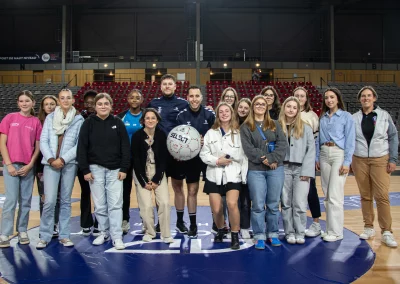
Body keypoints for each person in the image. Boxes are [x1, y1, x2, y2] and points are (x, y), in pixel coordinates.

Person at [77, 93, 130, 250]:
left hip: (115, 170)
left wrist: (124, 168)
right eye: (100, 104)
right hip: (95, 169)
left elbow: (125, 147)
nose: (103, 106)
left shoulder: (118, 123)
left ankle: (117, 236)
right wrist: (85, 169)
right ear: (95, 106)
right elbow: (82, 148)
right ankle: (103, 232)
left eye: (106, 103)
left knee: (115, 204)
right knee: (100, 205)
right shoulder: (88, 123)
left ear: (111, 105)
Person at [36, 89, 84, 248]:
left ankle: (64, 235)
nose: (65, 100)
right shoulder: (50, 118)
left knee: (65, 200)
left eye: (68, 98)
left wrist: (63, 159)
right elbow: (43, 140)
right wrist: (51, 159)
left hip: (69, 164)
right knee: (49, 201)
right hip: (50, 164)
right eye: (62, 98)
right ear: (59, 100)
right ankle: (45, 235)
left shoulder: (78, 119)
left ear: (73, 100)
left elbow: (79, 145)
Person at [352, 86, 398, 248]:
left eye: (369, 96)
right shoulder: (354, 118)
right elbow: (350, 140)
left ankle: (387, 231)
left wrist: (393, 159)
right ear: (360, 99)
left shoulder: (384, 116)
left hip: (380, 159)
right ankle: (368, 227)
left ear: (374, 98)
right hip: (359, 160)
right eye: (363, 96)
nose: (366, 98)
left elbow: (393, 137)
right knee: (365, 196)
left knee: (382, 196)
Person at [240, 95, 287, 249]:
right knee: (258, 205)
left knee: (273, 204)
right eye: (257, 104)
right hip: (256, 170)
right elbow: (248, 149)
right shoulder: (246, 127)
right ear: (253, 107)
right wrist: (264, 159)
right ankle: (259, 235)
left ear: (267, 107)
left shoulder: (275, 124)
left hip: (275, 168)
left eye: (263, 104)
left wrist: (272, 159)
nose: (260, 106)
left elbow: (282, 144)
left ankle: (273, 233)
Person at [200, 102, 248, 250]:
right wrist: (217, 160)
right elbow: (204, 154)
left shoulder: (238, 133)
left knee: (232, 204)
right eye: (221, 111)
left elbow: (243, 156)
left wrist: (243, 176)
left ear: (231, 113)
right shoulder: (211, 133)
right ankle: (221, 229)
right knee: (216, 208)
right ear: (217, 115)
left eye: (227, 111)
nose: (224, 113)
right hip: (214, 174)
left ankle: (234, 235)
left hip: (233, 174)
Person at [147, 74, 189, 233]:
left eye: (170, 84)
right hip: (159, 152)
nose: (167, 86)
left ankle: (179, 221)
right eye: (164, 84)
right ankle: (160, 221)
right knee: (159, 188)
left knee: (178, 187)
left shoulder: (183, 103)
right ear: (161, 86)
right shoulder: (153, 103)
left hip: (177, 152)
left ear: (175, 86)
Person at [0, 91, 42, 248]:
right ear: (18, 103)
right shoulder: (10, 118)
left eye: (27, 101)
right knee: (11, 200)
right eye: (21, 101)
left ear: (33, 102)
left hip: (27, 166)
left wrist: (30, 165)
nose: (24, 103)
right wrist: (9, 164)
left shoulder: (36, 122)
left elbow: (37, 147)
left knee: (26, 201)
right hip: (11, 165)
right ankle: (5, 233)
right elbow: (2, 143)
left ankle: (22, 230)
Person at [316, 87, 355, 242]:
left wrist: (347, 162)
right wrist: (318, 157)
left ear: (338, 99)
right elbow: (319, 139)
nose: (329, 100)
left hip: (339, 153)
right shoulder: (323, 117)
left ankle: (337, 232)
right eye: (326, 98)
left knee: (335, 195)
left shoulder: (346, 116)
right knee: (327, 195)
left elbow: (350, 141)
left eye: (332, 97)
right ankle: (330, 229)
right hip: (325, 153)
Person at [176, 86, 215, 238]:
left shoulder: (210, 114)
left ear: (201, 97)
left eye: (197, 96)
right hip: (191, 159)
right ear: (187, 97)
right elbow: (177, 139)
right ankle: (193, 225)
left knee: (214, 191)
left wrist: (207, 140)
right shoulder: (181, 115)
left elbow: (218, 135)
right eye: (191, 96)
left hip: (208, 158)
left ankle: (216, 223)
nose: (194, 99)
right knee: (192, 191)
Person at [131, 108, 173, 243]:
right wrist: (144, 181)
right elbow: (136, 161)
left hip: (158, 172)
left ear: (157, 120)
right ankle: (150, 232)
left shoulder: (161, 135)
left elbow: (164, 160)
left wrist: (156, 180)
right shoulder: (137, 136)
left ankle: (166, 234)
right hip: (141, 172)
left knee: (165, 202)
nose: (150, 120)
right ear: (143, 120)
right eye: (147, 118)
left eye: (153, 118)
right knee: (147, 205)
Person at [278, 97, 315, 244]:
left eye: (294, 107)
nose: (291, 109)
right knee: (286, 203)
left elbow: (310, 150)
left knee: (299, 203)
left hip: (301, 169)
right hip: (283, 168)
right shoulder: (277, 126)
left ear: (298, 110)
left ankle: (300, 232)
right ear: (284, 108)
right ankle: (289, 232)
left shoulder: (305, 127)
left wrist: (307, 171)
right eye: (289, 106)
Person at [293, 87, 322, 237]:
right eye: (296, 95)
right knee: (293, 194)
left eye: (302, 96)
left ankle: (316, 223)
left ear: (306, 98)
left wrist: (315, 159)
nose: (299, 98)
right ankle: (294, 224)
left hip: (306, 159)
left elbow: (316, 141)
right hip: (291, 160)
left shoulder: (312, 116)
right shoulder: (288, 113)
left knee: (311, 191)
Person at [117, 89, 144, 234]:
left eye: (137, 98)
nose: (134, 100)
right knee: (125, 192)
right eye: (132, 97)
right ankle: (124, 220)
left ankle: (145, 220)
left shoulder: (147, 116)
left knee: (143, 190)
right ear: (127, 99)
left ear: (142, 100)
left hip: (142, 159)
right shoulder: (121, 117)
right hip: (126, 160)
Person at [36, 95, 60, 237]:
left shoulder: (61, 121)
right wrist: (39, 168)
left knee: (56, 197)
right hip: (41, 165)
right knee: (44, 197)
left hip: (57, 164)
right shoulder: (38, 122)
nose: (50, 107)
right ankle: (44, 225)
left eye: (52, 104)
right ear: (42, 107)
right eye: (47, 104)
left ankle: (55, 224)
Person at [78, 90, 99, 236]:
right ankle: (86, 223)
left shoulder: (104, 117)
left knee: (99, 195)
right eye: (88, 102)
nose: (90, 105)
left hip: (99, 162)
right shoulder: (78, 118)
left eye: (93, 102)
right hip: (83, 162)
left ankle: (99, 222)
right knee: (85, 193)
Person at [236, 98, 252, 239]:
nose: (242, 110)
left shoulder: (253, 125)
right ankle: (235, 226)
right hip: (234, 167)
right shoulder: (232, 124)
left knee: (247, 201)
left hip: (250, 167)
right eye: (240, 107)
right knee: (236, 201)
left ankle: (246, 227)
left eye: (246, 108)